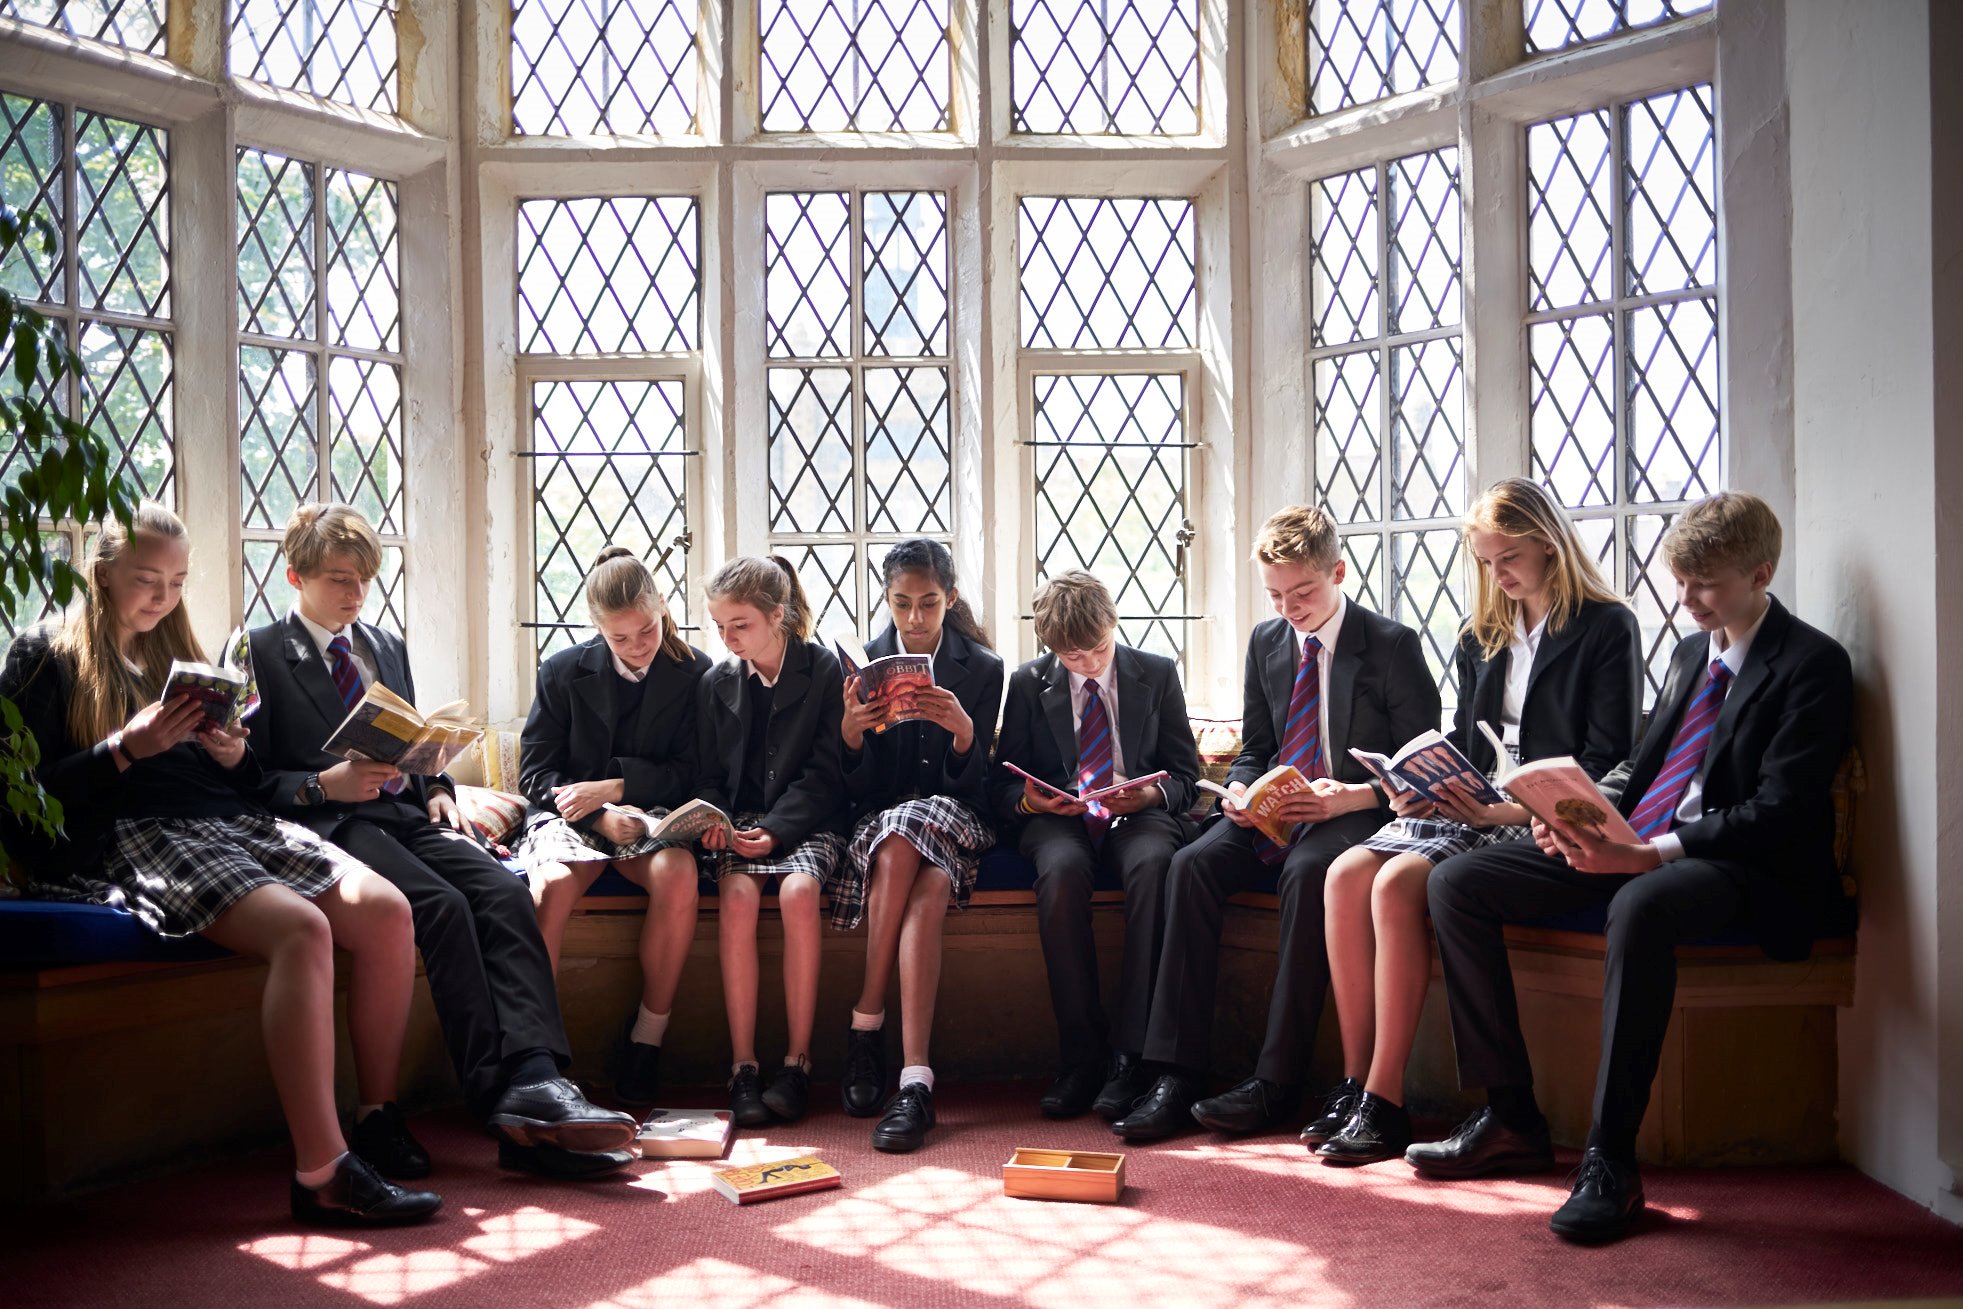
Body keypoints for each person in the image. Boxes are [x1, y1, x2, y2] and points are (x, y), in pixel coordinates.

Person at [1416, 492, 1853, 1244]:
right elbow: (1641, 768)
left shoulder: (1812, 663)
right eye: (1678, 583)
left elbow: (1778, 812)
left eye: (1704, 585)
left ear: (1761, 572)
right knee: (1456, 881)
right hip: (1644, 839)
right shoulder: (1691, 651)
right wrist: (1569, 819)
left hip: (1741, 863)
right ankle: (1510, 1114)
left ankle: (1608, 1161)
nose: (1686, 602)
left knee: (1639, 903)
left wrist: (1645, 852)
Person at [0, 504, 440, 1225]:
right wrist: (122, 749)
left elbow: (248, 783)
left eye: (176, 582)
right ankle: (323, 1171)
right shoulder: (43, 653)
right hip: (137, 833)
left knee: (389, 912)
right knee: (302, 930)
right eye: (147, 580)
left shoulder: (180, 651)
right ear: (103, 573)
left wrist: (235, 754)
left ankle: (377, 1117)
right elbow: (23, 804)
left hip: (231, 820)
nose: (162, 598)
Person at [249, 504, 637, 1181]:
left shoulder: (384, 646)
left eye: (364, 579)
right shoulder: (258, 650)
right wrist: (323, 786)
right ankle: (507, 1108)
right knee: (440, 904)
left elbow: (410, 747)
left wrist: (437, 787)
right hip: (329, 825)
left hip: (406, 814)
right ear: (294, 576)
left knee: (499, 889)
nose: (353, 593)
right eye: (339, 579)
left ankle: (538, 1077)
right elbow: (249, 780)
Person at [1315, 479, 1639, 1165]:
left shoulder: (1605, 625)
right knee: (1344, 872)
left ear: (1550, 544)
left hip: (1541, 811)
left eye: (1509, 557)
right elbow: (1465, 739)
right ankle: (1354, 1085)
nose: (1497, 574)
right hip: (1477, 802)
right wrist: (1421, 785)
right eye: (1486, 562)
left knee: (1396, 881)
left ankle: (1384, 1097)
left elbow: (1610, 761)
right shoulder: (1481, 632)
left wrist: (1509, 808)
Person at [1115, 505, 1441, 1143]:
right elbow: (1257, 749)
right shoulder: (1267, 642)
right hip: (1275, 807)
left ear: (1338, 572)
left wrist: (1346, 798)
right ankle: (1176, 1075)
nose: (1289, 608)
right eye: (1275, 595)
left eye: (1303, 592)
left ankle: (1276, 1081)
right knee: (1191, 865)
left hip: (1349, 813)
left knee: (1308, 870)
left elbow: (1421, 770)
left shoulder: (1392, 646)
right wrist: (1239, 788)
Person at [991, 571, 1200, 1121]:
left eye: (1098, 649)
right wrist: (1036, 802)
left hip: (1138, 816)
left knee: (1156, 862)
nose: (1087, 663)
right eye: (1072, 656)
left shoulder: (1156, 674)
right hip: (1059, 818)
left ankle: (1132, 1055)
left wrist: (1150, 792)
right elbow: (1001, 786)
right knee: (1059, 873)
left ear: (1114, 624)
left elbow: (1185, 776)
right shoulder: (1029, 681)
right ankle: (1081, 1056)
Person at [519, 546, 713, 1107]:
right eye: (620, 638)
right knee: (551, 884)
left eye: (646, 631)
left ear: (661, 608)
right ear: (597, 629)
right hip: (569, 815)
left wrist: (620, 794)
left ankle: (647, 1038)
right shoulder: (561, 670)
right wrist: (599, 813)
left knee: (678, 872)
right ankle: (539, 1057)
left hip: (650, 818)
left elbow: (694, 772)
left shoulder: (695, 671)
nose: (637, 647)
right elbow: (536, 773)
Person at [831, 540, 1005, 1152]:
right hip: (886, 830)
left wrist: (964, 737)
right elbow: (862, 790)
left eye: (928, 604)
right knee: (921, 885)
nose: (914, 619)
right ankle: (915, 1080)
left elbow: (979, 785)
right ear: (886, 598)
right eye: (901, 604)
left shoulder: (983, 668)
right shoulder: (865, 663)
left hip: (956, 818)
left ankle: (865, 1020)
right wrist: (852, 738)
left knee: (907, 839)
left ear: (949, 598)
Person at [695, 556, 848, 1127]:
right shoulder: (716, 682)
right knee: (735, 898)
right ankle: (743, 1068)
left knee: (798, 893)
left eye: (740, 625)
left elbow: (827, 771)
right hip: (740, 821)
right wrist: (714, 819)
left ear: (776, 616)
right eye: (719, 626)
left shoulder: (823, 671)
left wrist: (779, 829)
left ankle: (797, 1064)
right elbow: (708, 774)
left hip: (808, 820)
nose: (727, 638)